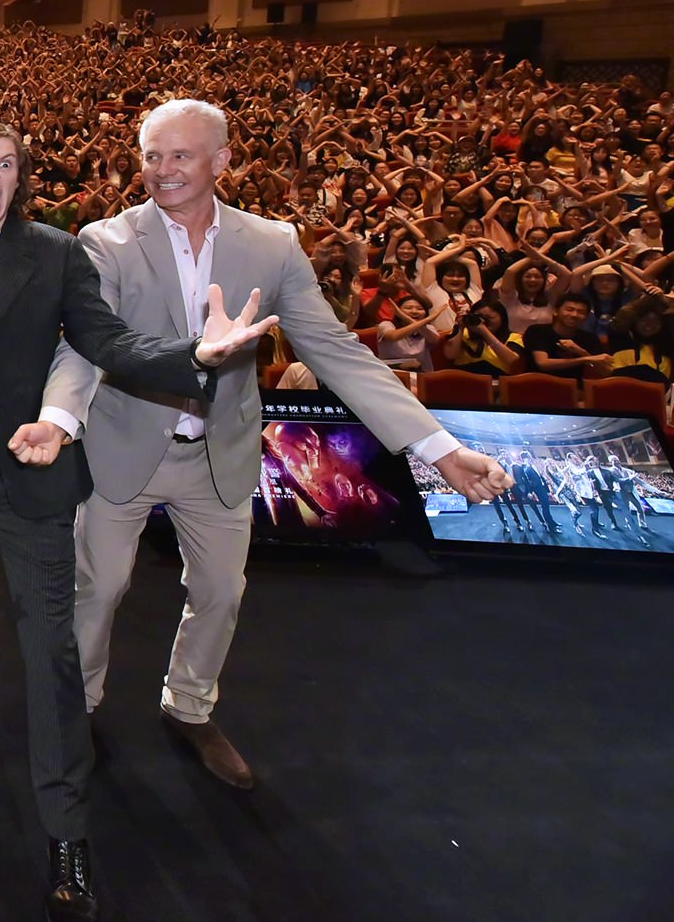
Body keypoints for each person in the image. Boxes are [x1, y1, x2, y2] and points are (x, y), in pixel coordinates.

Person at [42, 99, 510, 794]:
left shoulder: (273, 243)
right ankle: (75, 707)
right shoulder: (104, 240)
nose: (161, 170)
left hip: (218, 454)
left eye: (180, 155)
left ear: (222, 161)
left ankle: (189, 707)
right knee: (99, 587)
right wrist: (58, 418)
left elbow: (339, 354)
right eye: (150, 155)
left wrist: (438, 448)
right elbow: (88, 346)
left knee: (221, 594)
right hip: (124, 443)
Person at [0, 119, 273, 922]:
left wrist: (196, 355)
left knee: (53, 657)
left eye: (9, 164)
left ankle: (66, 834)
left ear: (21, 178)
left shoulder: (55, 251)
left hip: (31, 469)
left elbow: (107, 341)